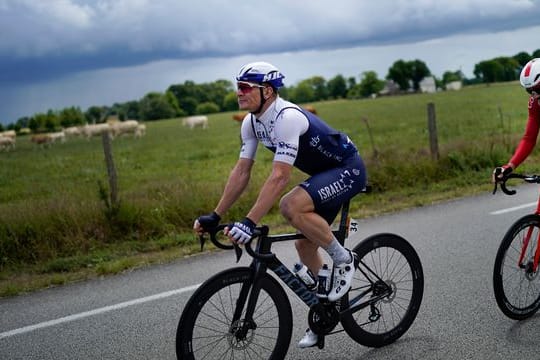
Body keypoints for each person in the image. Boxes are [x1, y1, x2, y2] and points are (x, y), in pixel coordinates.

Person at [193, 61, 367, 348]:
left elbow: (279, 176)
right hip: (324, 174)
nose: (239, 93)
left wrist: (249, 222)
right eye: (238, 87)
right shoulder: (251, 122)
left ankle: (344, 259)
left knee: (290, 206)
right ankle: (324, 311)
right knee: (304, 246)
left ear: (268, 92)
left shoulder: (286, 117)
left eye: (246, 87)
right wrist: (216, 214)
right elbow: (242, 171)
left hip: (348, 168)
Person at [493, 58, 540, 181]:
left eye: (538, 89)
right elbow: (529, 139)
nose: (534, 95)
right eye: (530, 91)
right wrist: (509, 166)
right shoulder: (535, 104)